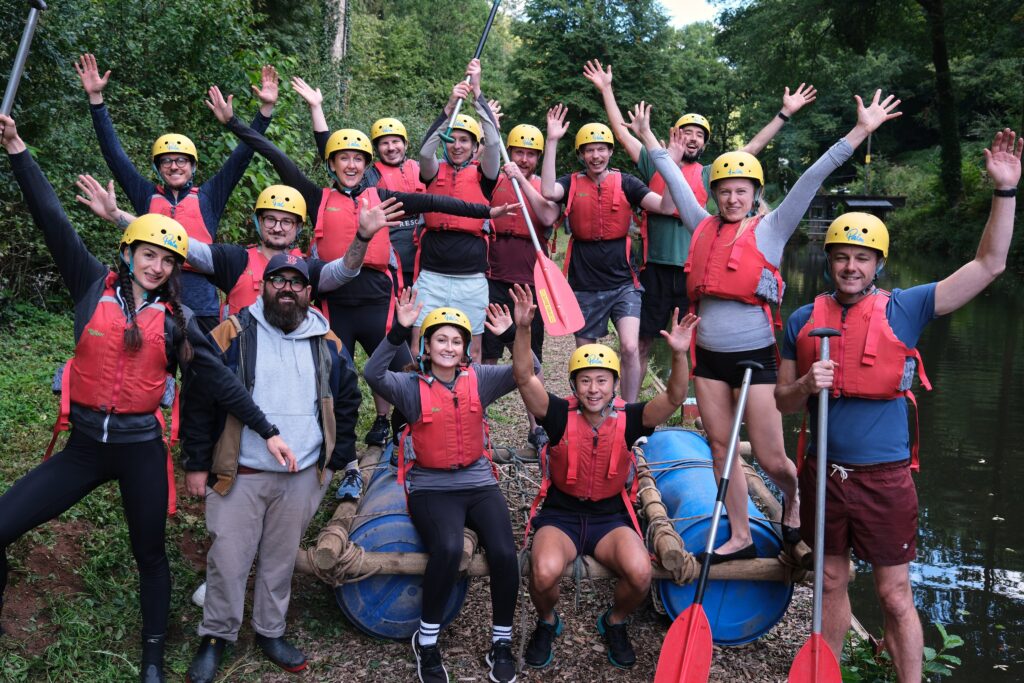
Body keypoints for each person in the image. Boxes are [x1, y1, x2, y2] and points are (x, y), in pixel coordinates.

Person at [0, 114, 289, 683]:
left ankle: (153, 658)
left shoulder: (180, 322)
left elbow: (221, 384)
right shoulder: (90, 284)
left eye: (167, 260)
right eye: (148, 254)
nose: (156, 265)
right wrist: (16, 149)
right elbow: (52, 219)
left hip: (138, 451)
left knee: (150, 556)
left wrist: (267, 428)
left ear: (176, 268)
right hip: (84, 449)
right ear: (129, 251)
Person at [774, 128, 1020, 682]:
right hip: (823, 476)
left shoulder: (906, 308)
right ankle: (827, 674)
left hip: (884, 479)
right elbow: (782, 398)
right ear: (829, 262)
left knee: (894, 592)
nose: (850, 267)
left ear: (878, 263)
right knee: (831, 581)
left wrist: (1004, 193)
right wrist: (807, 385)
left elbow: (989, 266)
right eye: (841, 258)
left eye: (862, 258)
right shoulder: (799, 320)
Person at [629, 93, 901, 561]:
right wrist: (650, 137)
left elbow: (813, 178)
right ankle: (740, 534)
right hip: (709, 359)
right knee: (720, 447)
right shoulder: (700, 224)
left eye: (742, 190)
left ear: (754, 193)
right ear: (714, 194)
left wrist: (860, 131)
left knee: (774, 460)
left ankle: (793, 502)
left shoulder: (771, 228)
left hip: (756, 357)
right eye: (724, 190)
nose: (733, 198)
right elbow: (672, 173)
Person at [204, 83, 516, 490]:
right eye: (343, 159)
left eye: (357, 159)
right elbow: (273, 154)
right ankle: (348, 464)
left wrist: (485, 210)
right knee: (341, 384)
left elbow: (435, 203)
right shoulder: (316, 199)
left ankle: (413, 449)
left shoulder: (382, 196)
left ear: (365, 163)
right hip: (337, 302)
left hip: (379, 301)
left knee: (408, 374)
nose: (350, 165)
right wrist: (235, 123)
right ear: (331, 163)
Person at [179, 253, 361, 683]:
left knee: (279, 559)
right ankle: (216, 635)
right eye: (277, 280)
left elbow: (348, 400)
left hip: (301, 477)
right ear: (263, 286)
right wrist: (197, 464)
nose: (287, 289)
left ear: (309, 293)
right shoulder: (232, 333)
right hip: (240, 471)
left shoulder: (328, 341)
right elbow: (200, 399)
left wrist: (336, 460)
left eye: (296, 283)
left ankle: (269, 631)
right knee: (228, 558)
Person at [582, 59, 816, 373]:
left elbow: (753, 147)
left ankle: (683, 404)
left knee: (688, 345)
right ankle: (630, 409)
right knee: (640, 342)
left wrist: (784, 113)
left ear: (704, 143)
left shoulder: (712, 176)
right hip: (654, 271)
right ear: (674, 135)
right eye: (686, 132)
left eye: (699, 135)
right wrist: (607, 89)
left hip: (693, 274)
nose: (693, 138)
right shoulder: (654, 164)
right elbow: (622, 136)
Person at [509, 283, 697, 669]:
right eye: (585, 380)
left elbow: (676, 398)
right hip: (561, 514)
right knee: (542, 572)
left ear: (615, 385)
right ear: (575, 385)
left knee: (641, 573)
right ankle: (547, 621)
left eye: (602, 380)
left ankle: (613, 621)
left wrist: (679, 355)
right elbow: (526, 378)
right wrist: (524, 328)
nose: (593, 389)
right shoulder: (559, 415)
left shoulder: (631, 420)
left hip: (610, 517)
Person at [364, 292, 534, 683]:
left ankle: (501, 643)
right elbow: (372, 374)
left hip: (477, 480)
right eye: (440, 339)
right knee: (448, 547)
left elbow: (529, 370)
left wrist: (513, 336)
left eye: (456, 341)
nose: (449, 346)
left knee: (506, 552)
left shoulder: (481, 379)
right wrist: (397, 330)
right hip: (431, 486)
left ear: (465, 349)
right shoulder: (410, 385)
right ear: (426, 345)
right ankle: (426, 641)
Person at [74, 54, 280, 333]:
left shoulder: (208, 197)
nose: (174, 166)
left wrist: (265, 111)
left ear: (193, 166)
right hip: (157, 296)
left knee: (205, 371)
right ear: (158, 168)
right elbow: (115, 155)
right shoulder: (146, 196)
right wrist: (96, 100)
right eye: (166, 161)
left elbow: (242, 156)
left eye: (181, 160)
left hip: (202, 303)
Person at [538, 103, 679, 403]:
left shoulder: (627, 183)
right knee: (585, 356)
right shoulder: (571, 182)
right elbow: (548, 192)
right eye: (589, 150)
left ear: (610, 152)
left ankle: (627, 413)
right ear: (581, 155)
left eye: (602, 149)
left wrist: (670, 166)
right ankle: (586, 407)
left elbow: (666, 206)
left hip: (624, 284)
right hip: (585, 285)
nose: (596, 156)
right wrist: (551, 141)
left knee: (629, 347)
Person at [415, 58, 504, 362]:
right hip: (431, 276)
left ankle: (473, 406)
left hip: (471, 279)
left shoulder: (484, 174)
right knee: (422, 342)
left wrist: (477, 94)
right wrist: (450, 105)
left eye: (464, 140)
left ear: (473, 145)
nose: (457, 145)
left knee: (472, 348)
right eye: (451, 139)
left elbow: (493, 143)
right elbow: (425, 149)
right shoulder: (431, 170)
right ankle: (422, 403)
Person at [484, 123, 558, 449]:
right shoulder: (491, 181)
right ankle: (478, 423)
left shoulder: (545, 186)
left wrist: (521, 180)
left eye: (530, 154)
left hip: (530, 283)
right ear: (509, 152)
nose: (524, 158)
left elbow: (546, 217)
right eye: (519, 152)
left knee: (531, 354)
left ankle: (537, 426)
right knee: (486, 355)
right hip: (494, 278)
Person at [368, 115, 426, 290]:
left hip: (426, 265)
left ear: (406, 144)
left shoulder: (423, 168)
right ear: (377, 149)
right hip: (391, 264)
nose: (391, 148)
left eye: (395, 141)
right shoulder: (369, 176)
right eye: (384, 143)